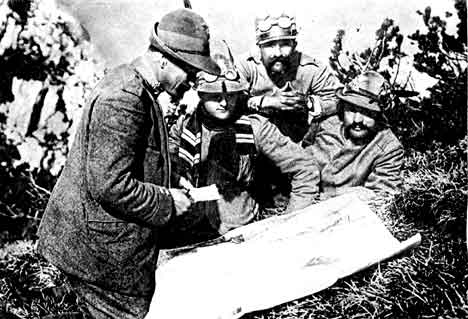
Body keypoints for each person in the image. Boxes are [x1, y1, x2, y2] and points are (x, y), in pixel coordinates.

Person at [36, 9, 220, 319]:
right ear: (164, 60)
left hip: (99, 240)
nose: (191, 83)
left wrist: (168, 180)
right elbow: (110, 184)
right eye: (189, 73)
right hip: (93, 252)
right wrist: (166, 201)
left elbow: (131, 162)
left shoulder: (137, 88)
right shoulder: (123, 98)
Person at [164, 52, 319, 245]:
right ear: (201, 95)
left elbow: (305, 169)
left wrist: (290, 221)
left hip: (238, 232)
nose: (223, 103)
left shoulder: (254, 127)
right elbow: (167, 161)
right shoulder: (185, 125)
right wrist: (177, 177)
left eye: (230, 95)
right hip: (188, 228)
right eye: (215, 96)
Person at [237, 11, 342, 143]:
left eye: (285, 45)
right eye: (269, 46)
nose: (277, 53)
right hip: (257, 139)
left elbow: (339, 100)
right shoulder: (247, 65)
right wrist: (265, 102)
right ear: (259, 47)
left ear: (294, 46)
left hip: (299, 139)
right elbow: (230, 101)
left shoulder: (310, 68)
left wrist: (309, 104)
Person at [304, 71, 404, 198]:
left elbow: (381, 196)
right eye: (351, 109)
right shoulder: (327, 123)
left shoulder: (389, 148)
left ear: (379, 115)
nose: (357, 120)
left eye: (367, 112)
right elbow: (301, 152)